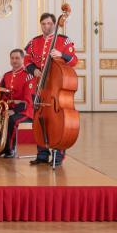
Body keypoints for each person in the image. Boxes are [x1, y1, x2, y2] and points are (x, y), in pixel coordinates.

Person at [24, 12, 78, 167]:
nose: (46, 26)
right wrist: (33, 70)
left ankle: (58, 155)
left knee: (59, 122)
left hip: (56, 88)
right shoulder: (34, 42)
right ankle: (41, 154)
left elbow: (74, 60)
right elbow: (26, 60)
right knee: (39, 121)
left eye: (49, 23)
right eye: (43, 24)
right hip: (41, 88)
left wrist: (61, 54)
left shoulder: (64, 40)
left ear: (55, 24)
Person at [0, 48, 35, 159]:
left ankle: (10, 149)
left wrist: (14, 110)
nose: (14, 61)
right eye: (12, 58)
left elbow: (28, 101)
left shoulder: (28, 76)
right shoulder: (7, 75)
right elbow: (1, 93)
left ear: (23, 59)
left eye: (17, 58)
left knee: (11, 119)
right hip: (9, 108)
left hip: (25, 111)